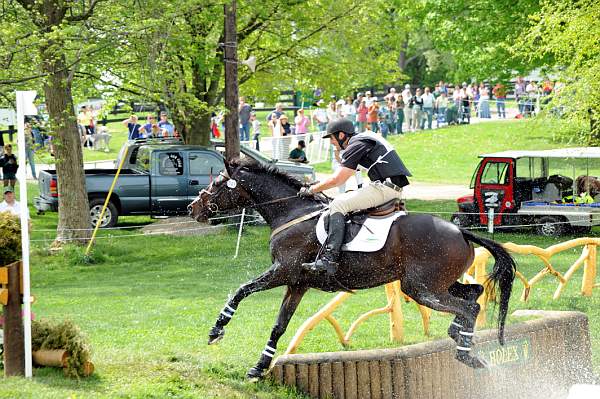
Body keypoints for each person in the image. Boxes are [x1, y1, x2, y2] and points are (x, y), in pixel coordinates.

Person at [298, 118, 411, 274]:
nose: (331, 142)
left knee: (338, 204)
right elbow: (345, 165)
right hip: (388, 186)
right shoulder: (361, 141)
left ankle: (329, 258)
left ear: (342, 135)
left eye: (331, 138)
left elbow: (338, 179)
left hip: (384, 188)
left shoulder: (357, 144)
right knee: (347, 199)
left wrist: (311, 190)